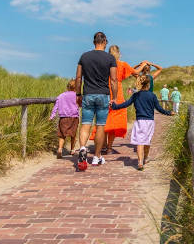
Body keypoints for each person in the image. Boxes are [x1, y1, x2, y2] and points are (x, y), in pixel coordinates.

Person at [90, 45, 146, 154]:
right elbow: (135, 72)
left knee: (104, 120)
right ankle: (109, 147)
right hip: (117, 93)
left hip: (105, 91)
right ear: (119, 53)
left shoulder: (104, 64)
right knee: (114, 122)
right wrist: (142, 65)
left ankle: (103, 145)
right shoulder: (122, 64)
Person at [111, 75, 172, 170]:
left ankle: (140, 162)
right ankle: (146, 158)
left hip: (140, 121)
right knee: (147, 142)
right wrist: (169, 113)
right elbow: (159, 109)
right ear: (148, 84)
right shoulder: (152, 95)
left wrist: (114, 106)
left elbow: (125, 104)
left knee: (140, 142)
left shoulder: (136, 95)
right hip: (150, 122)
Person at [75, 32, 118, 167]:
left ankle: (82, 148)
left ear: (94, 42)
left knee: (86, 124)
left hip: (88, 94)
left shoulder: (84, 56)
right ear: (104, 41)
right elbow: (114, 80)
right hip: (103, 95)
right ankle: (97, 157)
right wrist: (115, 97)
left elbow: (78, 78)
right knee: (100, 125)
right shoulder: (110, 58)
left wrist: (78, 94)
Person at [50, 79, 79, 158]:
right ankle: (72, 150)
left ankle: (60, 149)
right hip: (74, 117)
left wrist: (52, 116)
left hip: (63, 118)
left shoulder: (61, 95)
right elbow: (81, 104)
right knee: (73, 135)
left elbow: (55, 107)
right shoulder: (77, 95)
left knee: (62, 135)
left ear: (67, 87)